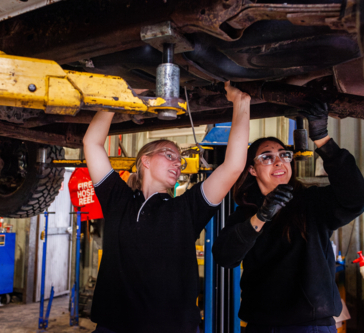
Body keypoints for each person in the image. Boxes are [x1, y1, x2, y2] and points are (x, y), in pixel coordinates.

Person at [83, 82, 251, 333]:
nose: (178, 164)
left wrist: (241, 102)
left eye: (180, 161)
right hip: (113, 327)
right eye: (169, 155)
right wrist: (119, 96)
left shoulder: (187, 209)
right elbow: (92, 143)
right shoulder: (118, 200)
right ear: (145, 161)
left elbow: (233, 166)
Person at [212, 102, 364, 333]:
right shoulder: (245, 213)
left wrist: (323, 140)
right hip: (262, 325)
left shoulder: (311, 202)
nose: (278, 161)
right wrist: (262, 216)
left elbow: (357, 197)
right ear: (252, 170)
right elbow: (225, 256)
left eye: (283, 155)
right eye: (266, 157)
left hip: (311, 325)